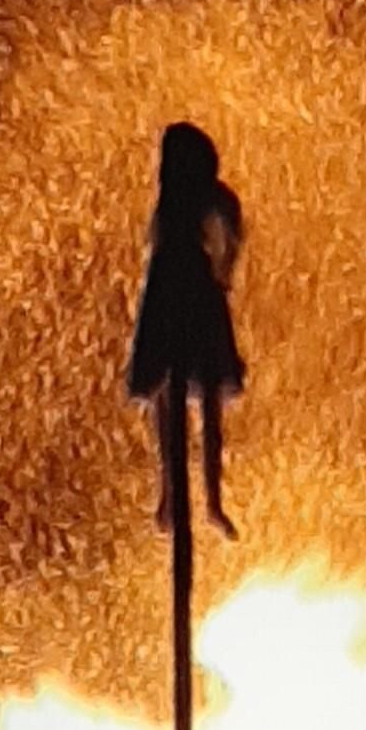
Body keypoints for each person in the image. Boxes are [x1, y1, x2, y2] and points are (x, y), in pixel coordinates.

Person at [126, 122, 245, 536]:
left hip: (176, 287)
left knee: (179, 400)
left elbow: (233, 230)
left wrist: (222, 274)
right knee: (185, 399)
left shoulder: (184, 206)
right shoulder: (191, 204)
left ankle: (197, 500)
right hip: (189, 286)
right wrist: (223, 274)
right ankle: (186, 499)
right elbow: (234, 233)